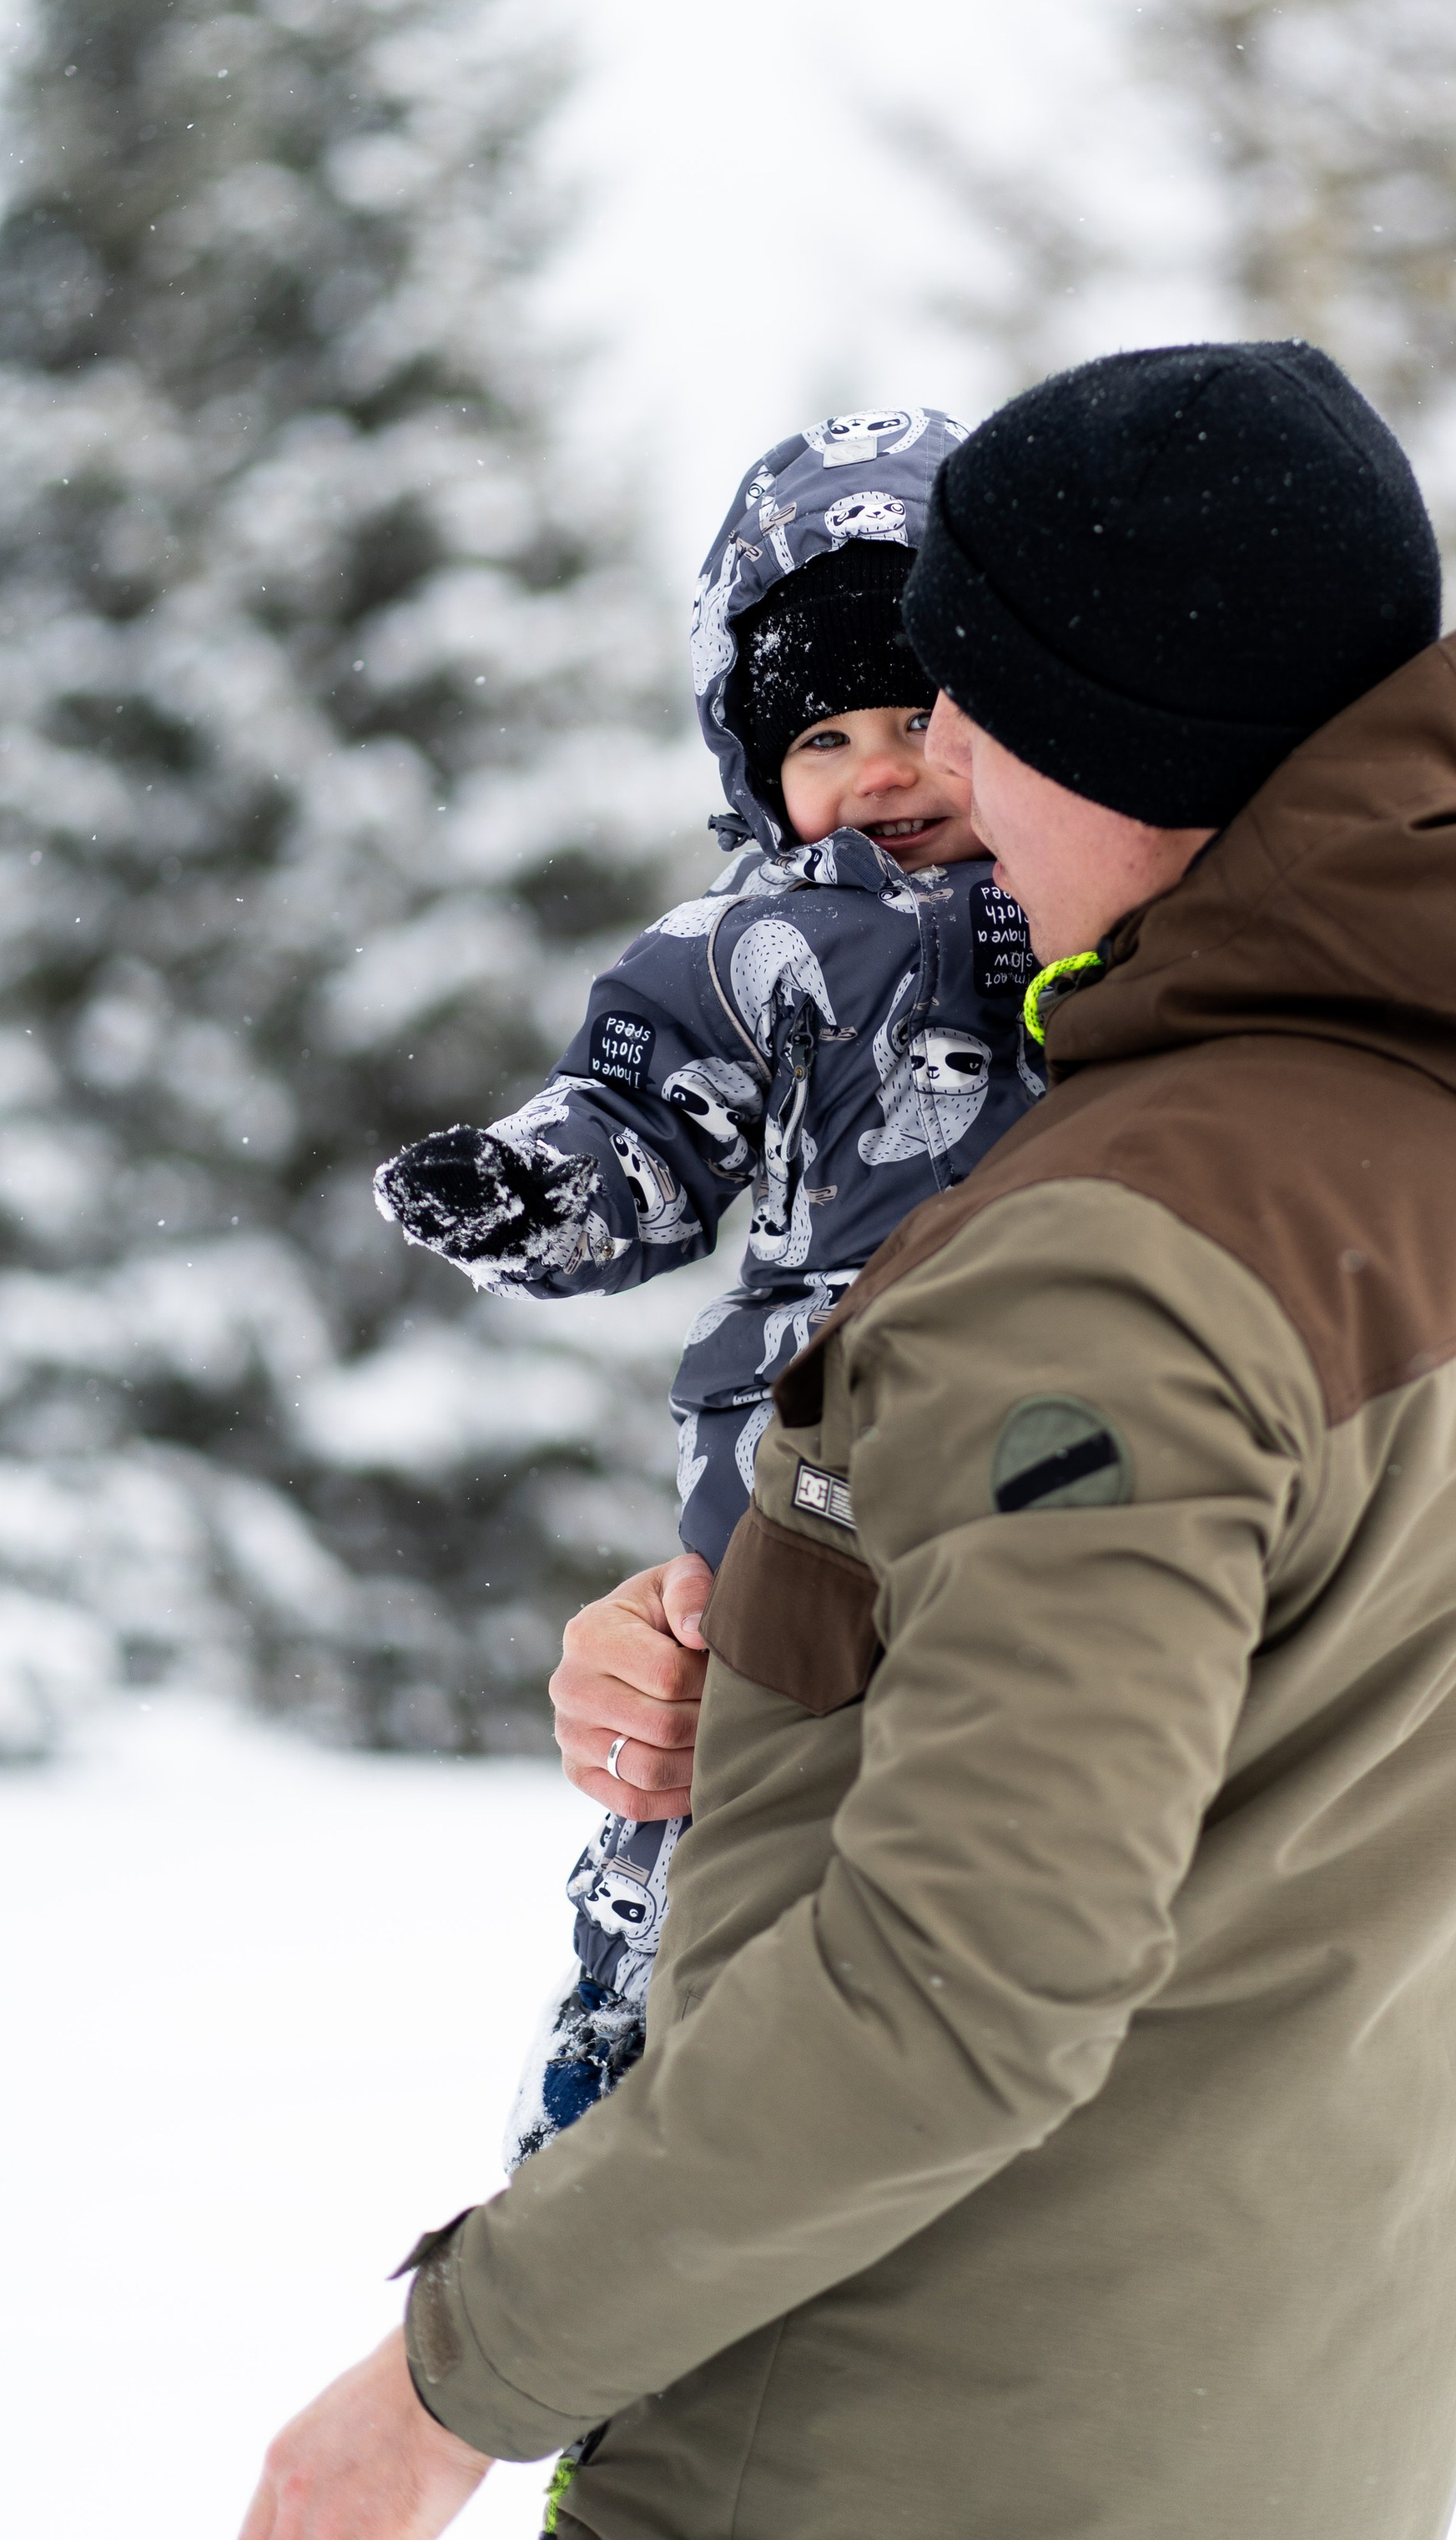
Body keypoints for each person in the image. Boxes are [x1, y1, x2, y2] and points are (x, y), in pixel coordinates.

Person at [241, 338, 1456, 2540]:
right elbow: (1275, 1688)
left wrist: (437, 2387)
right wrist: (773, 1637)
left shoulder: (1120, 1254)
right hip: (1284, 2402)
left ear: (1132, 737)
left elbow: (958, 1987)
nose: (922, 776)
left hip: (891, 2435)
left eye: (973, 707)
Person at [372, 409, 1040, 2161]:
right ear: (756, 769)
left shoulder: (1100, 921)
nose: (882, 769)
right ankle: (607, 2110)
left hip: (1038, 1454)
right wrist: (534, 1184)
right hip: (785, 1469)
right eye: (823, 734)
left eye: (926, 717)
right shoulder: (752, 946)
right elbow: (644, 1127)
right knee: (708, 1807)